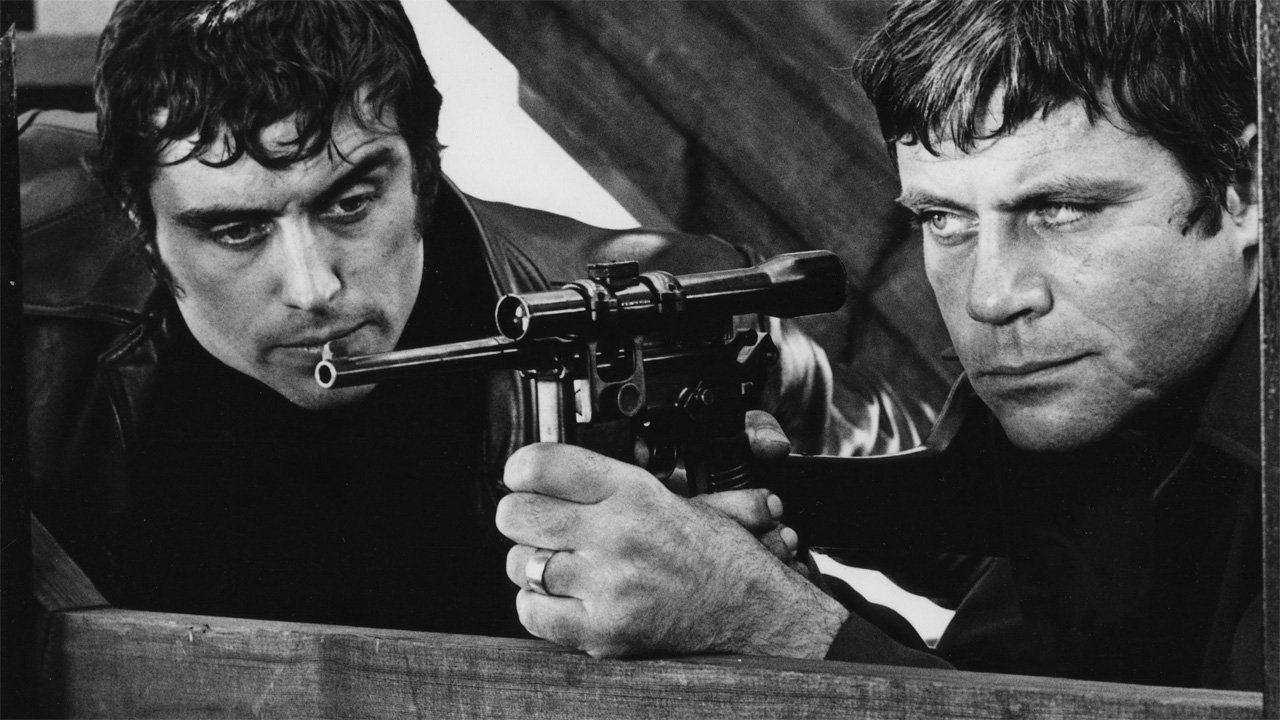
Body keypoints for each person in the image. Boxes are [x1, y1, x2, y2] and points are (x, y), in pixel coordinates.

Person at [22, 0, 853, 636]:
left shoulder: (688, 311)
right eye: (236, 230)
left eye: (350, 202)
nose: (312, 288)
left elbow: (922, 575)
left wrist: (757, 597)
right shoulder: (34, 313)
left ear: (421, 164)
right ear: (139, 219)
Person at [497, 0, 1262, 690]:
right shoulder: (1098, 380)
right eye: (944, 219)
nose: (991, 296)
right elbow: (1013, 678)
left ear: (1245, 189)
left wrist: (771, 623)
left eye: (1061, 210)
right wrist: (757, 526)